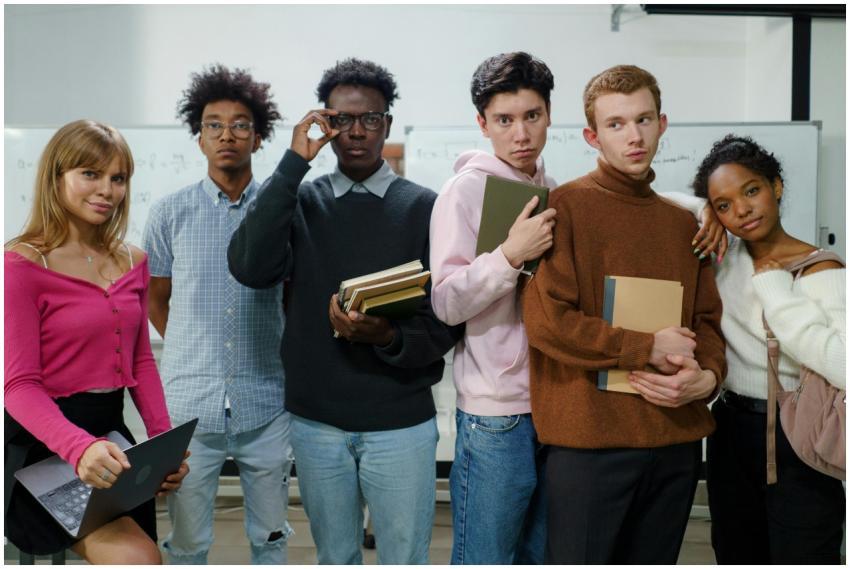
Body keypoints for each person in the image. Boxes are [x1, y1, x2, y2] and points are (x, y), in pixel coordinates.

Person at [227, 58, 461, 564]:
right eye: (341, 120)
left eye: (370, 119)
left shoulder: (426, 207)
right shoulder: (301, 200)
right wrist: (294, 162)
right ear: (324, 125)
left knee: (404, 558)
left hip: (400, 423)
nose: (356, 132)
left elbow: (446, 320)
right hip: (316, 425)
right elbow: (249, 266)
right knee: (335, 558)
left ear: (387, 125)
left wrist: (384, 337)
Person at [521, 65, 727, 564]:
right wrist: (647, 346)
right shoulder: (561, 210)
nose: (634, 136)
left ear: (662, 123)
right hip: (591, 448)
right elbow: (550, 324)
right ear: (593, 135)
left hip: (675, 442)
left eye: (644, 119)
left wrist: (708, 379)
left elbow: (707, 323)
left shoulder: (686, 224)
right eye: (616, 124)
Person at [4, 119, 188, 564]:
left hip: (112, 440)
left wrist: (164, 445)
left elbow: (141, 362)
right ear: (56, 177)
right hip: (41, 444)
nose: (106, 189)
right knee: (139, 559)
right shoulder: (21, 266)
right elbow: (18, 387)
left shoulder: (133, 260)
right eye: (90, 174)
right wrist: (79, 447)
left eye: (118, 178)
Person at [141, 64, 293, 565]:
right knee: (187, 544)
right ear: (199, 135)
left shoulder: (280, 209)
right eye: (213, 124)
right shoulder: (168, 213)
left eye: (240, 124)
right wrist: (192, 345)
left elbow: (293, 296)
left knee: (271, 537)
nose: (227, 134)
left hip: (266, 396)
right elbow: (155, 298)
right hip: (188, 402)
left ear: (259, 135)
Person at [686, 135, 845, 564]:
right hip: (730, 428)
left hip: (798, 433)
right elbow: (656, 196)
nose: (741, 210)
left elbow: (844, 364)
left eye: (751, 190)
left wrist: (777, 293)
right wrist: (704, 211)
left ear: (776, 186)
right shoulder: (725, 256)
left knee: (802, 553)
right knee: (736, 551)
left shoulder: (821, 267)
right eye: (724, 204)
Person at [429, 51, 555, 565]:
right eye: (504, 120)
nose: (520, 133)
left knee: (537, 554)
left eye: (532, 116)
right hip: (494, 413)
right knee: (486, 557)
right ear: (483, 124)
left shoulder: (545, 186)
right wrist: (509, 254)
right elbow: (445, 301)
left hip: (550, 404)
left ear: (549, 114)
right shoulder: (464, 191)